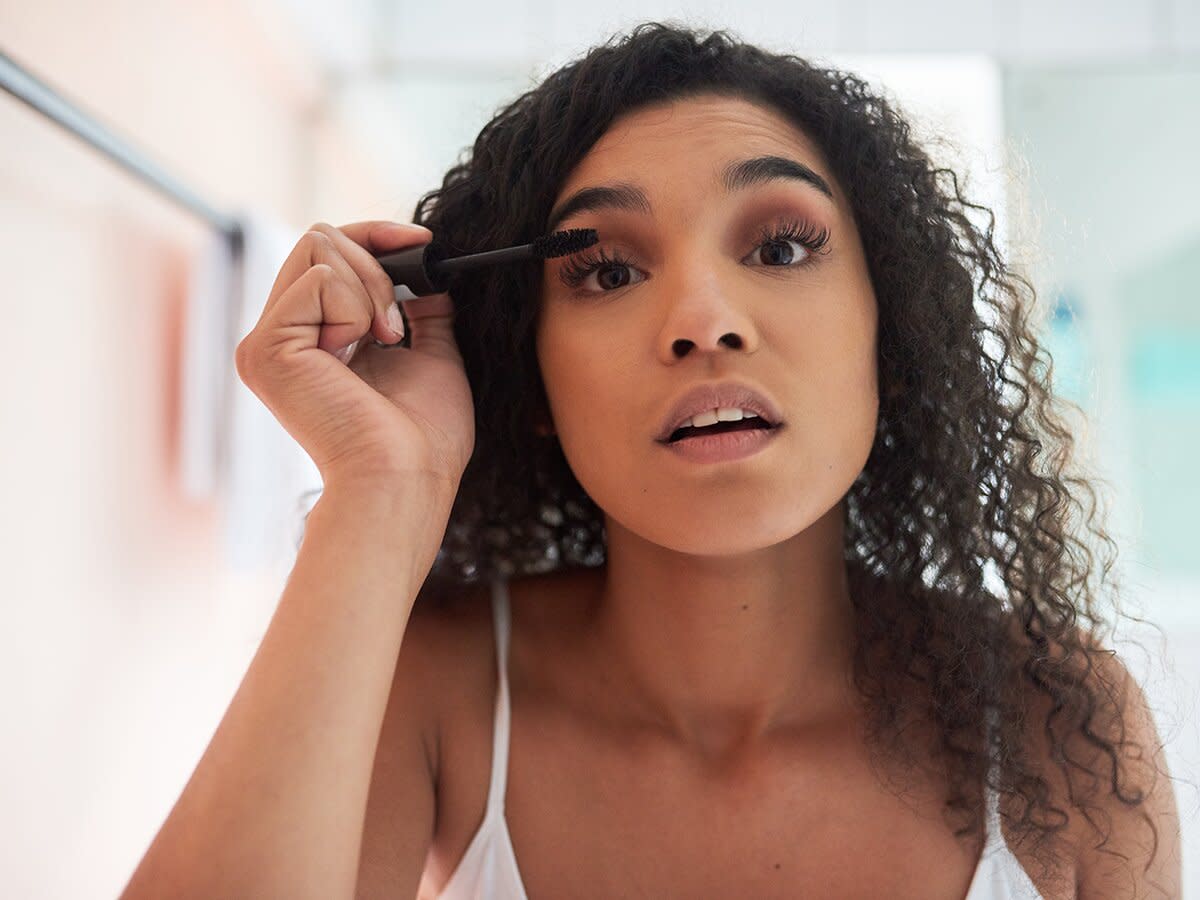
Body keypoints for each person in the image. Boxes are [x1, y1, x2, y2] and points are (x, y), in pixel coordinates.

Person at [119, 22, 1181, 900]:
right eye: (609, 269)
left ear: (890, 341)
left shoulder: (1061, 723)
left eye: (780, 247)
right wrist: (379, 490)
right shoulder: (436, 688)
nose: (702, 322)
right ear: (529, 383)